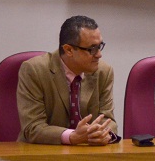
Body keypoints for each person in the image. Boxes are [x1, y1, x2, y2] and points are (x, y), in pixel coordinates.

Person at [16, 15, 120, 145]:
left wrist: (103, 133)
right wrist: (71, 136)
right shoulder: (34, 70)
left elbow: (109, 120)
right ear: (69, 50)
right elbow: (32, 127)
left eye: (100, 46)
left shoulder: (103, 71)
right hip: (43, 153)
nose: (99, 54)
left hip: (87, 154)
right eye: (92, 49)